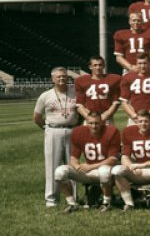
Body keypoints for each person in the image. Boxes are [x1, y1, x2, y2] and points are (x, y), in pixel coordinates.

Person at [55, 111, 120, 213]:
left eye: (96, 123)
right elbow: (73, 158)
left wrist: (91, 166)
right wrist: (77, 167)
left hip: (104, 169)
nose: (93, 126)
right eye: (90, 123)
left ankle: (107, 203)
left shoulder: (111, 131)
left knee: (104, 171)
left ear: (102, 122)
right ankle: (72, 204)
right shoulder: (78, 132)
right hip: (89, 170)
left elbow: (113, 159)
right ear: (86, 122)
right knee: (60, 172)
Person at [34, 67, 79, 207]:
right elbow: (37, 117)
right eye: (58, 76)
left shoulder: (75, 92)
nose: (62, 78)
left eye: (64, 76)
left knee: (72, 166)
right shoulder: (45, 96)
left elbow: (82, 112)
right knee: (52, 165)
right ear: (53, 79)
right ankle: (52, 199)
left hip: (72, 130)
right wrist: (47, 128)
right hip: (53, 131)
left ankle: (73, 198)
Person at [113, 110, 150, 211]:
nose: (143, 124)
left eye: (145, 121)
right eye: (140, 121)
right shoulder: (128, 132)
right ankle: (129, 203)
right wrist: (131, 166)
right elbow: (125, 157)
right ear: (136, 122)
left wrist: (141, 165)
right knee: (116, 170)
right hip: (137, 171)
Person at [119, 53, 150, 124]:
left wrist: (147, 116)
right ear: (136, 64)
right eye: (140, 63)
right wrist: (134, 116)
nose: (142, 66)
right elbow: (124, 102)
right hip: (134, 117)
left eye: (145, 63)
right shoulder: (128, 77)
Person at [74, 56, 121, 123]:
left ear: (104, 66)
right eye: (95, 65)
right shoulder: (81, 81)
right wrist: (88, 117)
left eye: (100, 65)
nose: (98, 67)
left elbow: (116, 102)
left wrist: (106, 115)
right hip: (89, 117)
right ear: (90, 67)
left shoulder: (114, 79)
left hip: (106, 118)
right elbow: (79, 104)